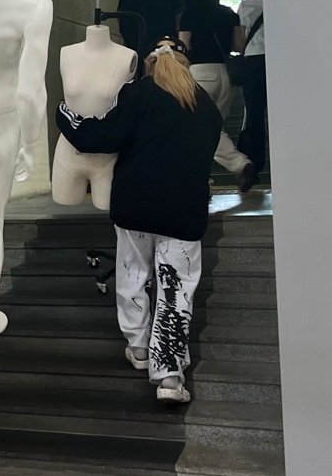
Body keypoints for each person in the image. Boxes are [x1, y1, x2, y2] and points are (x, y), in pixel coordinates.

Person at [56, 40, 222, 403]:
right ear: (186, 65)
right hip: (183, 212)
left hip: (136, 205)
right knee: (176, 289)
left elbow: (102, 137)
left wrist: (65, 114)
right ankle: (169, 378)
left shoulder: (138, 93)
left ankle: (139, 347)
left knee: (133, 274)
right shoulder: (203, 103)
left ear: (148, 65)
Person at [177, 0, 256, 189]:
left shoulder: (188, 15)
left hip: (200, 74)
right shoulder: (229, 13)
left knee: (201, 128)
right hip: (226, 74)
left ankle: (238, 165)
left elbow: (184, 48)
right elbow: (239, 46)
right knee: (211, 127)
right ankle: (213, 176)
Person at [235, 0, 267, 178]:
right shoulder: (288, 0)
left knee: (254, 114)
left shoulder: (246, 6)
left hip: (254, 60)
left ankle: (254, 164)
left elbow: (240, 40)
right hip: (276, 61)